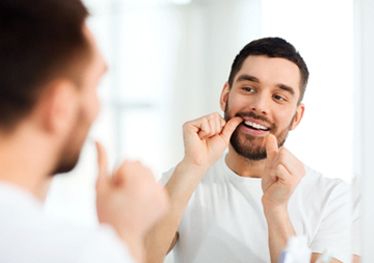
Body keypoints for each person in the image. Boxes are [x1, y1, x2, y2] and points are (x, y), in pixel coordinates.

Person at [145, 37, 351, 263]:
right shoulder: (181, 180)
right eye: (248, 88)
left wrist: (277, 210)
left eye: (278, 97)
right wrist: (192, 167)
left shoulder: (333, 198)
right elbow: (140, 257)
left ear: (296, 117)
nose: (260, 106)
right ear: (225, 97)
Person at [0, 1, 168, 263]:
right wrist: (126, 235)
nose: (96, 106)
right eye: (95, 85)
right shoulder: (78, 254)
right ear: (60, 108)